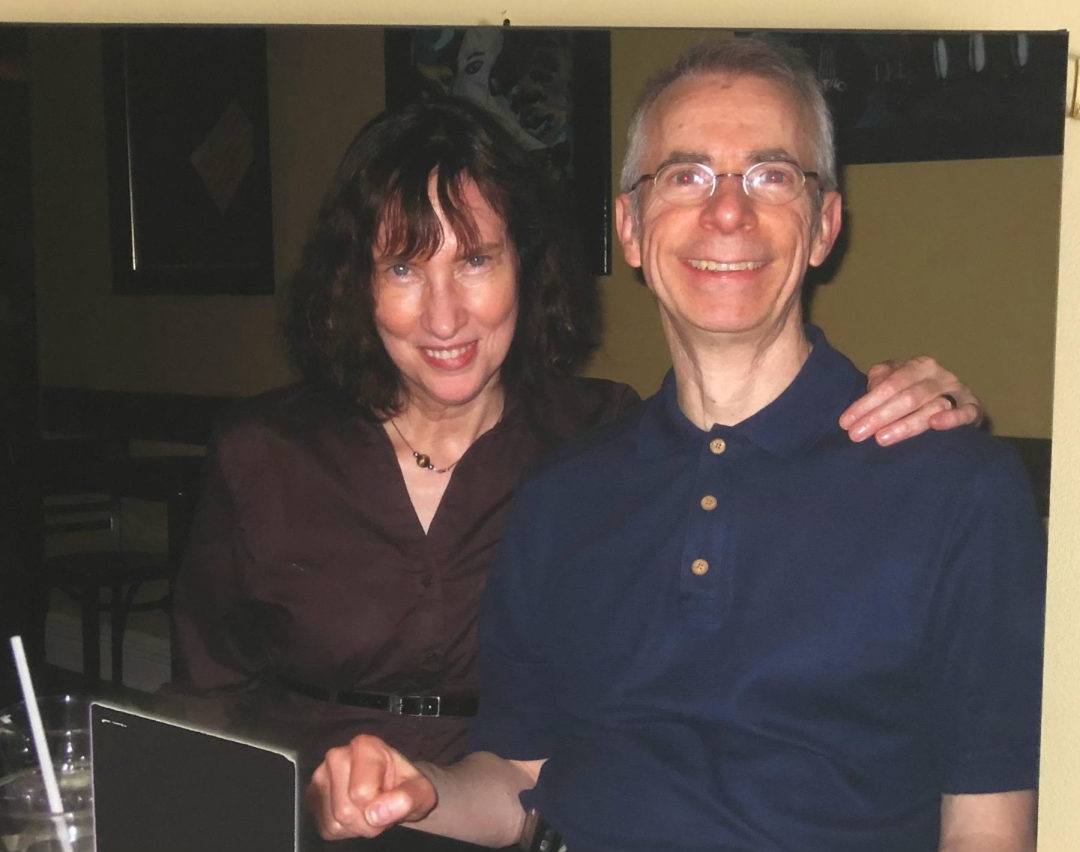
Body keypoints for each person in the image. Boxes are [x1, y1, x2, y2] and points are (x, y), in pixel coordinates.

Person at [306, 39, 1045, 852]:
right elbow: (516, 781)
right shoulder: (561, 494)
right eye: (686, 175)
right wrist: (419, 791)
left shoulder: (956, 488)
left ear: (826, 226)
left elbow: (991, 845)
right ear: (627, 226)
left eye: (771, 175)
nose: (727, 212)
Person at [168, 96, 982, 773]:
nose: (444, 315)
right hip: (306, 823)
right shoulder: (261, 454)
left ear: (528, 267)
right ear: (357, 285)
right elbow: (205, 697)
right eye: (405, 269)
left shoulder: (601, 437)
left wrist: (932, 408)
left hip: (517, 833)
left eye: (477, 261)